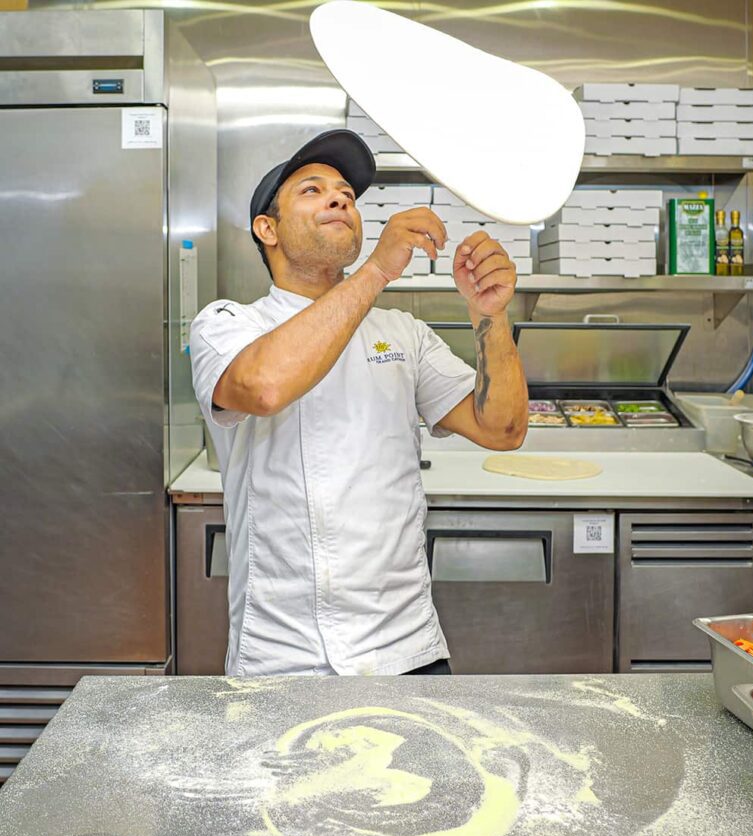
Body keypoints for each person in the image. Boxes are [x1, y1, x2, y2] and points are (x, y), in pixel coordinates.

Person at [189, 129, 528, 678]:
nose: (340, 198)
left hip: (404, 648)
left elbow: (503, 428)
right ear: (266, 229)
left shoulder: (403, 332)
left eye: (346, 192)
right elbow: (266, 386)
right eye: (312, 190)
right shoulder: (229, 325)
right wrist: (377, 271)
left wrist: (490, 315)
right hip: (281, 657)